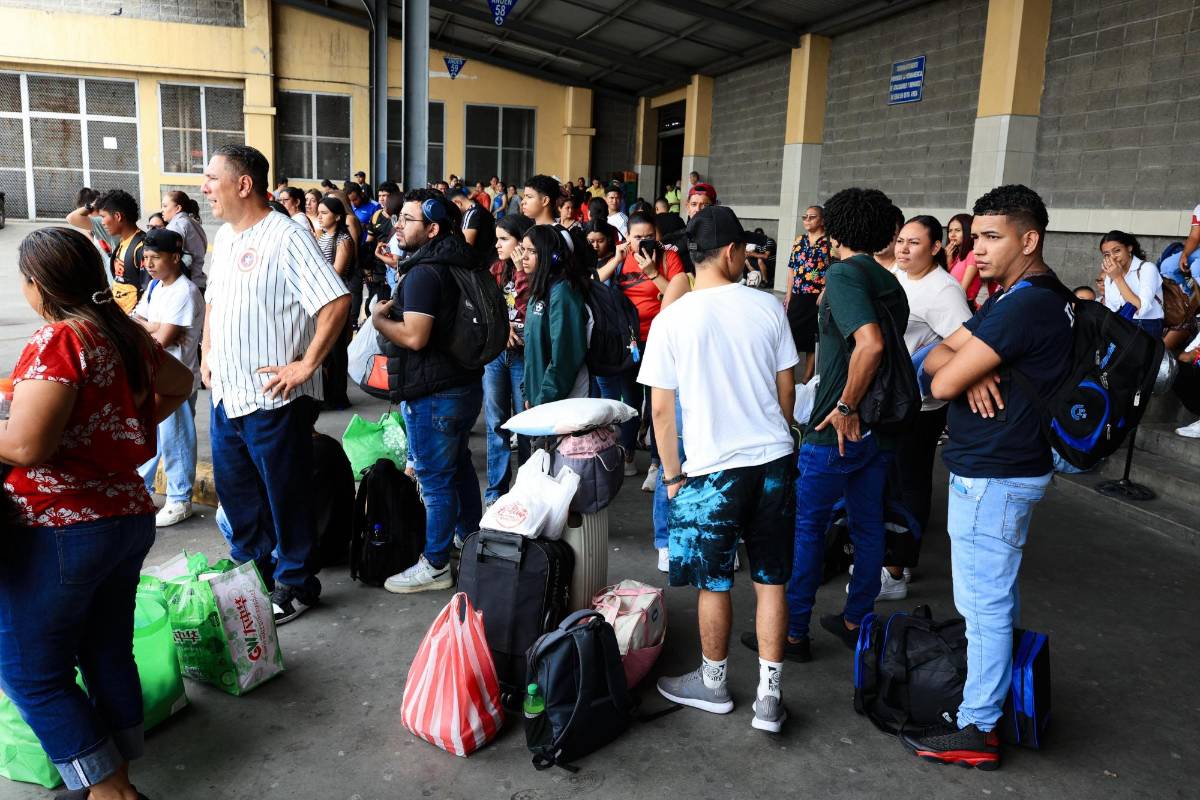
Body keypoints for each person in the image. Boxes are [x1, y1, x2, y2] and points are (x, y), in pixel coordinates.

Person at [0, 226, 193, 798]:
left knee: (31, 673)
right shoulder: (119, 333)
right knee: (105, 650)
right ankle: (117, 772)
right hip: (123, 517)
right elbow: (181, 384)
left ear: (37, 285)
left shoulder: (59, 339)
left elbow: (29, 447)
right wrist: (122, 434)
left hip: (60, 525)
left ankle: (111, 790)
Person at [908, 184, 1073, 769]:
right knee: (989, 598)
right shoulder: (1033, 297)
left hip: (996, 474)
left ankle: (977, 726)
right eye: (974, 236)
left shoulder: (1025, 303)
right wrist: (967, 364)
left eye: (991, 237)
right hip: (1006, 469)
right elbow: (930, 353)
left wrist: (961, 368)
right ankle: (984, 705)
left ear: (1029, 239)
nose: (975, 248)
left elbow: (939, 376)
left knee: (984, 605)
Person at [640, 205, 798, 734]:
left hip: (709, 473)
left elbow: (662, 410)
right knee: (771, 580)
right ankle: (769, 698)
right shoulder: (769, 308)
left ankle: (713, 684)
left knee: (714, 582)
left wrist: (671, 476)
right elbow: (785, 394)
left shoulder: (671, 318)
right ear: (732, 252)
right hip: (773, 461)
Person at [201, 144, 351, 624]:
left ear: (243, 184)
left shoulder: (287, 237)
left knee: (286, 495)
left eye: (211, 179)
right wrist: (207, 352)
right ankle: (254, 570)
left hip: (274, 399)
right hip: (227, 393)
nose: (203, 189)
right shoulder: (224, 238)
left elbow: (335, 301)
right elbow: (214, 302)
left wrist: (306, 365)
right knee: (239, 493)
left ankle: (297, 582)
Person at [762, 187, 909, 665]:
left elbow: (869, 346)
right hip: (878, 430)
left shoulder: (844, 274)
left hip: (835, 430)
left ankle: (794, 633)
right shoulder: (888, 281)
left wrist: (845, 408)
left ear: (836, 228)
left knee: (807, 529)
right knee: (867, 527)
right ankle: (856, 621)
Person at [373, 190, 483, 593]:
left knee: (435, 481)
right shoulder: (455, 261)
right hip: (462, 386)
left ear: (433, 229)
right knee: (459, 470)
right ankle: (469, 541)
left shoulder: (424, 273)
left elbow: (415, 337)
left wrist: (377, 320)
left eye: (407, 219)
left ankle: (435, 564)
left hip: (433, 390)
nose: (397, 224)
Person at [886, 215, 972, 593]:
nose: (903, 249)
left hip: (920, 404)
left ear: (936, 247)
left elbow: (969, 343)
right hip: (892, 396)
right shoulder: (899, 276)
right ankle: (892, 555)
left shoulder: (943, 290)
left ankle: (898, 570)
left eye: (914, 243)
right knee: (893, 478)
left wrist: (934, 350)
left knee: (911, 481)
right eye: (901, 240)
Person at [598, 212, 687, 489]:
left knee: (656, 402)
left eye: (650, 235)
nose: (644, 241)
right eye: (638, 237)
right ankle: (627, 454)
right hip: (629, 342)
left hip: (659, 339)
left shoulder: (668, 258)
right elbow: (595, 283)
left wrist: (652, 273)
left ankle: (656, 463)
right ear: (627, 238)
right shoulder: (621, 258)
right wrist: (616, 258)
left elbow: (679, 294)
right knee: (631, 401)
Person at [132, 228, 206, 527]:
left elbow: (162, 338)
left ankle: (179, 499)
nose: (148, 264)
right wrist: (153, 325)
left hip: (178, 379)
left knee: (176, 440)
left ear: (175, 258)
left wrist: (152, 326)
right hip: (154, 376)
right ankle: (140, 490)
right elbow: (135, 322)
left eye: (155, 258)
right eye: (146, 257)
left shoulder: (184, 292)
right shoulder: (155, 288)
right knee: (153, 436)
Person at [483, 214, 536, 505]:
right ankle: (496, 493)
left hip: (524, 357)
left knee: (526, 424)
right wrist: (501, 332)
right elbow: (487, 310)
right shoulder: (494, 269)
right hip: (495, 355)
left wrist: (520, 269)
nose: (498, 244)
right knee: (496, 425)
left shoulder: (534, 272)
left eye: (504, 239)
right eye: (497, 238)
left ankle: (527, 491)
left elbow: (531, 310)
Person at [521, 224, 592, 405]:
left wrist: (543, 398)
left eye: (532, 251)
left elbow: (564, 355)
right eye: (523, 249)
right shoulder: (540, 289)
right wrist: (528, 391)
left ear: (552, 256)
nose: (524, 256)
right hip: (542, 395)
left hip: (560, 397)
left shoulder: (562, 291)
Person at [315, 195, 357, 410]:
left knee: (337, 350)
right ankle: (328, 393)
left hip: (337, 300)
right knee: (325, 349)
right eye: (319, 212)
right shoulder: (321, 235)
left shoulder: (343, 240)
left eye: (324, 213)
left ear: (338, 216)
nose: (319, 217)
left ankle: (338, 397)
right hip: (323, 299)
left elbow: (337, 272)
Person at [785, 205, 830, 384]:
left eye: (812, 217)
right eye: (805, 217)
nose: (807, 220)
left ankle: (806, 379)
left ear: (822, 220)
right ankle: (787, 377)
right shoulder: (799, 240)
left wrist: (825, 292)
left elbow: (834, 269)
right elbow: (791, 269)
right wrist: (789, 294)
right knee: (791, 337)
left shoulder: (829, 243)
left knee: (813, 339)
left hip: (816, 298)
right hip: (798, 295)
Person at [1098, 230, 1164, 338]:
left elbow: (1140, 308)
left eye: (1117, 251)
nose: (1113, 257)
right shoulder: (1110, 274)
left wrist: (1118, 278)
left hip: (1145, 325)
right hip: (1120, 324)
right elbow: (1111, 308)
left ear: (1129, 248)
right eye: (1107, 254)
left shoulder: (1147, 268)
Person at [94, 189, 149, 314]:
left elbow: (149, 290)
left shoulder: (142, 247)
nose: (102, 222)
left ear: (118, 216)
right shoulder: (122, 243)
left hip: (134, 323)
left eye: (103, 217)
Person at [162, 190, 210, 290]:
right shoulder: (193, 222)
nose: (162, 210)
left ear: (178, 208)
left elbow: (167, 258)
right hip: (198, 282)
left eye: (165, 206)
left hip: (185, 285)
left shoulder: (176, 226)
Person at [66, 187, 120, 262]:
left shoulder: (105, 223)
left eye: (84, 213)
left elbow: (71, 218)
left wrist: (91, 205)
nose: (84, 218)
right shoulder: (95, 229)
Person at [449, 186, 497, 264]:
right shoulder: (480, 208)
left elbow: (464, 249)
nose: (453, 213)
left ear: (457, 203)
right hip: (489, 260)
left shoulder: (471, 213)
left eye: (451, 209)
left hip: (481, 264)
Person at [947, 213, 982, 307]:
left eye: (957, 230)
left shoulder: (972, 254)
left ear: (967, 232)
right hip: (952, 301)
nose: (952, 235)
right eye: (950, 231)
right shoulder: (957, 256)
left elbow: (963, 288)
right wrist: (948, 258)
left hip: (963, 304)